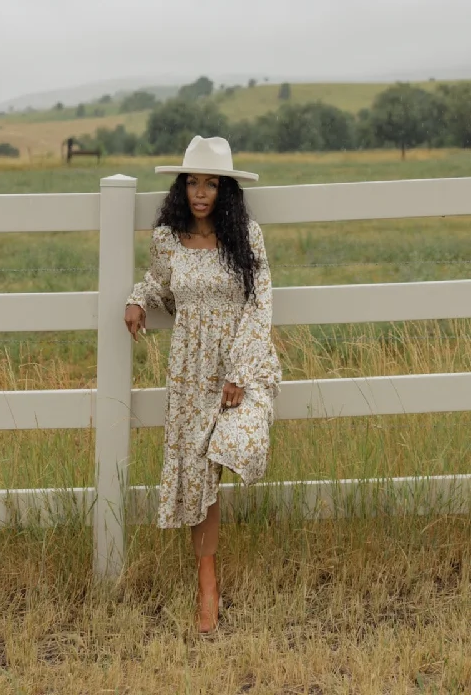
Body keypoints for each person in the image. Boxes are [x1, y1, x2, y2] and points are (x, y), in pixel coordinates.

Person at [124, 135, 282, 634]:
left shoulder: (246, 236)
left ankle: (209, 581)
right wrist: (137, 298)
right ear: (181, 187)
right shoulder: (169, 238)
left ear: (225, 190)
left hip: (239, 363)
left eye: (211, 183)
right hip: (190, 369)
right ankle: (207, 585)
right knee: (196, 474)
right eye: (192, 182)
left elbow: (260, 304)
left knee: (233, 445)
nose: (200, 192)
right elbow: (157, 280)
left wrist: (238, 372)